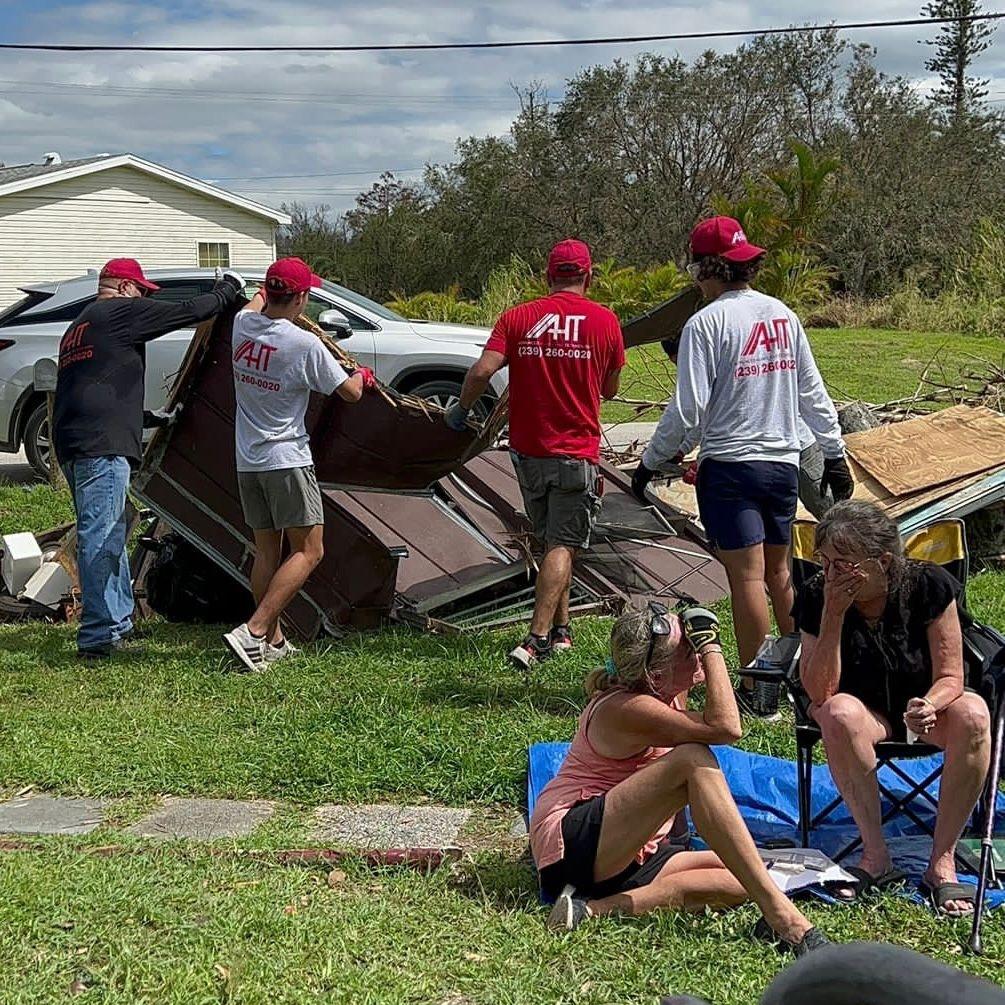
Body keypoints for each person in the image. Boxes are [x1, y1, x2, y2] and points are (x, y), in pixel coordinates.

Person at [634, 217, 853, 717]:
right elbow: (812, 392)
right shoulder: (783, 315)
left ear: (700, 270)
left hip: (731, 468)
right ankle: (805, 672)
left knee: (747, 580)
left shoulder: (704, 324)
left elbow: (688, 410)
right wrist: (834, 453)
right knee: (781, 575)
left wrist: (650, 462)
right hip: (782, 464)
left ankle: (761, 689)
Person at [530, 603, 829, 955]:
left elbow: (716, 716)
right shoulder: (625, 708)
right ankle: (786, 920)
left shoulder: (664, 690)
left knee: (752, 876)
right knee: (692, 760)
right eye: (688, 648)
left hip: (626, 852)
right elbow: (727, 727)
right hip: (572, 844)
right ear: (656, 675)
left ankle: (588, 910)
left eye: (695, 643)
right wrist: (712, 646)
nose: (697, 651)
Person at [793, 500, 992, 916]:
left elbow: (952, 676)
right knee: (838, 712)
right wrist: (832, 615)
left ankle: (941, 862)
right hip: (864, 712)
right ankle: (875, 855)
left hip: (926, 709)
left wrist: (930, 704)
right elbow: (819, 691)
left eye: (843, 564)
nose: (830, 574)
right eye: (824, 562)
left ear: (882, 561)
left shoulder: (929, 585)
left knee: (974, 713)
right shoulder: (817, 594)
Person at [444, 239, 625, 669]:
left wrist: (460, 410)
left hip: (527, 453)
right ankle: (536, 639)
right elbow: (611, 389)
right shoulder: (605, 322)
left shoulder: (519, 317)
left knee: (551, 542)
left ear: (548, 277)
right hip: (575, 455)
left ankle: (562, 631)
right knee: (563, 544)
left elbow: (483, 370)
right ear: (589, 276)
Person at [53, 258, 242, 658]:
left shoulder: (80, 326)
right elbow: (187, 312)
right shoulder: (117, 311)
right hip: (100, 448)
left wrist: (146, 418)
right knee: (102, 537)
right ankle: (99, 638)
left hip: (76, 441)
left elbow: (93, 389)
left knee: (112, 530)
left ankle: (118, 622)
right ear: (123, 288)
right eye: (140, 291)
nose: (143, 300)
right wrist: (226, 290)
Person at [223, 257, 375, 671]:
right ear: (303, 298)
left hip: (248, 459)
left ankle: (272, 641)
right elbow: (350, 393)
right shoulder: (303, 344)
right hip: (286, 459)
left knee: (267, 550)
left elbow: (254, 303)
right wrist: (361, 373)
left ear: (269, 292)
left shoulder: (242, 326)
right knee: (310, 550)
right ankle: (253, 631)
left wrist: (262, 294)